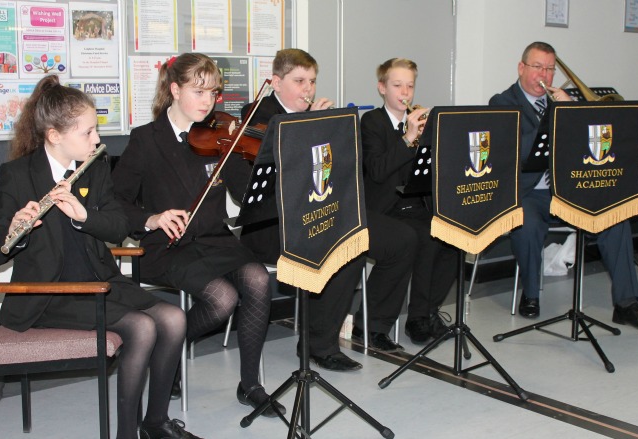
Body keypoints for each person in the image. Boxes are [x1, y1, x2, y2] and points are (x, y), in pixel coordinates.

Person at [0, 74, 201, 439]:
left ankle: (155, 422)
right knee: (142, 327)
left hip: (99, 279)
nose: (97, 140)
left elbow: (117, 228)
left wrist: (84, 216)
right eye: (87, 132)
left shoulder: (94, 168)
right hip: (48, 293)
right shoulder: (18, 175)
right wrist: (15, 231)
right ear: (55, 136)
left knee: (174, 318)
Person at [112, 53, 286, 418]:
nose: (208, 101)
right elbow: (116, 204)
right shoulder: (146, 140)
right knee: (222, 299)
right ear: (174, 90)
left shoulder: (221, 138)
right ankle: (168, 349)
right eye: (199, 91)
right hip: (167, 246)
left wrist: (266, 160)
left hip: (213, 239)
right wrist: (152, 218)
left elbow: (245, 191)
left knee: (256, 278)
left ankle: (250, 384)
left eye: (214, 93)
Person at [236, 48, 414, 361]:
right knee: (345, 249)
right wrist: (310, 124)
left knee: (402, 240)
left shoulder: (313, 114)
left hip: (323, 211)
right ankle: (319, 345)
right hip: (275, 224)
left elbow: (337, 173)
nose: (308, 89)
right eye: (299, 80)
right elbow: (275, 183)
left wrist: (330, 127)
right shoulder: (257, 117)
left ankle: (372, 326)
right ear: (276, 83)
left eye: (313, 81)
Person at [489, 41, 638, 329]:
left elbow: (592, 146)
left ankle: (626, 303)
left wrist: (573, 113)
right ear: (521, 68)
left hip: (570, 191)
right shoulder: (502, 103)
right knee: (527, 224)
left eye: (549, 69)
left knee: (615, 218)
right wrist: (558, 117)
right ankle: (530, 295)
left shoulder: (565, 101)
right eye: (537, 67)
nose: (543, 75)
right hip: (532, 192)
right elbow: (518, 152)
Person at [361, 58, 460, 345]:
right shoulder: (372, 122)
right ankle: (374, 324)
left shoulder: (419, 121)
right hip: (382, 208)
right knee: (419, 239)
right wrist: (407, 139)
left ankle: (423, 315)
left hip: (415, 204)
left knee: (452, 238)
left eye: (410, 85)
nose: (405, 92)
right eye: (397, 85)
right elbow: (378, 170)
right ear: (382, 88)